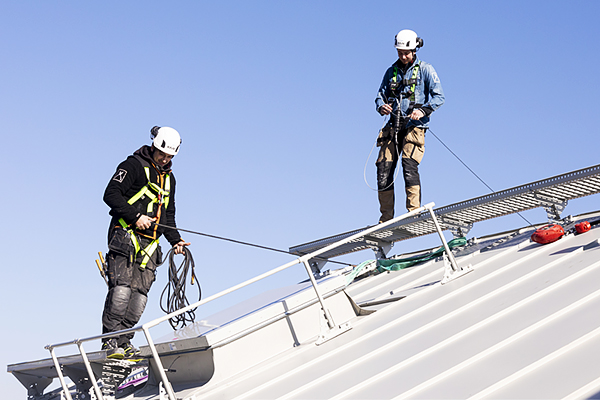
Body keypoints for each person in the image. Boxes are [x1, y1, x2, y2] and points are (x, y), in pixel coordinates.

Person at [101, 126, 190, 359]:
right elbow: (110, 194)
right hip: (125, 237)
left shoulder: (170, 179)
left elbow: (168, 216)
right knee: (121, 291)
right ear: (154, 147)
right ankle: (109, 342)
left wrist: (176, 241)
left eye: (170, 156)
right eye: (163, 153)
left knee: (139, 297)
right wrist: (135, 216)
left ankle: (125, 340)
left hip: (150, 246)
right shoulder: (131, 166)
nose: (165, 158)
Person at [374, 29, 445, 223]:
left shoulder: (426, 70)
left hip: (415, 127)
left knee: (409, 165)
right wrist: (382, 107)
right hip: (393, 126)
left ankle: (413, 211)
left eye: (407, 53)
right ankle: (386, 219)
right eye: (400, 52)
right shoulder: (391, 72)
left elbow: (440, 97)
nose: (403, 56)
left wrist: (423, 111)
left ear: (415, 50)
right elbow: (379, 96)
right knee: (383, 168)